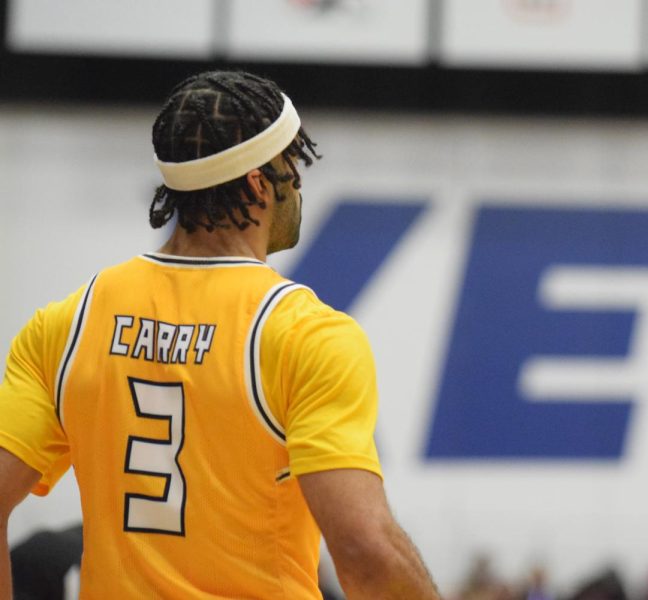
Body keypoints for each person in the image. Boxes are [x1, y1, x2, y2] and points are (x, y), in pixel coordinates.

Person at [0, 70, 440, 599]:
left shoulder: (69, 323)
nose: (299, 183)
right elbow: (366, 552)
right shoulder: (305, 334)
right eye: (292, 164)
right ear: (259, 184)